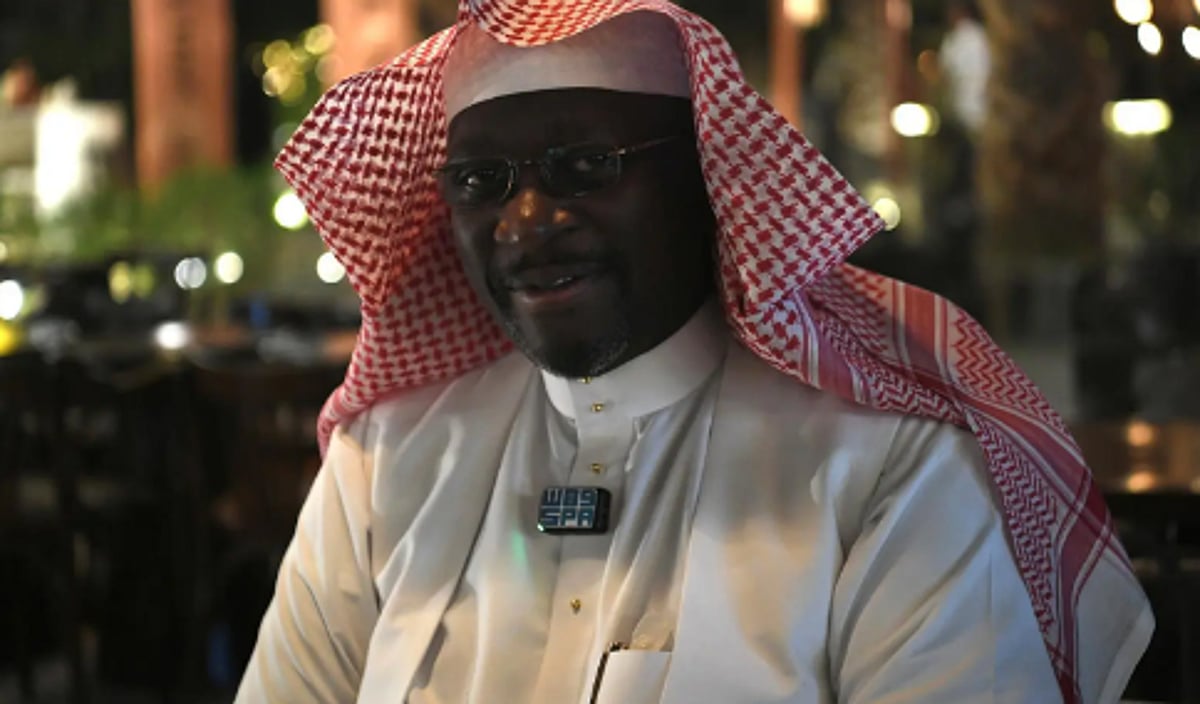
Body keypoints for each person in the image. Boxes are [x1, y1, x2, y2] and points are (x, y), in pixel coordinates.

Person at [237, 2, 1151, 703]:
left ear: (703, 178)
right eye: (481, 181)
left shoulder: (891, 469)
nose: (527, 220)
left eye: (585, 166)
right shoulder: (384, 460)